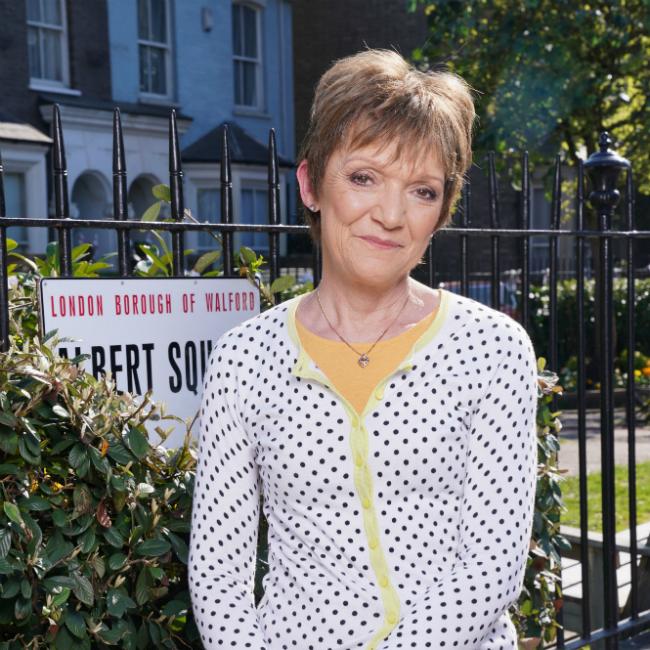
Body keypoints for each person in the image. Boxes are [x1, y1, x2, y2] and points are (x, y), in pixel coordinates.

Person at [188, 48, 540, 650]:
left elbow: (492, 566)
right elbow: (218, 573)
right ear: (311, 184)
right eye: (363, 178)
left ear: (441, 211)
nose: (391, 214)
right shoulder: (243, 358)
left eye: (422, 191)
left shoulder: (492, 348)